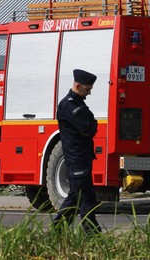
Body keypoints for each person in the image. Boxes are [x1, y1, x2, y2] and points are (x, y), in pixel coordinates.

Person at [53, 69, 102, 234]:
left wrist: (90, 126)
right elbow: (87, 127)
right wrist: (89, 126)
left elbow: (92, 126)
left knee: (75, 197)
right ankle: (93, 234)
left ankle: (57, 231)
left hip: (82, 158)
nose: (89, 93)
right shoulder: (68, 104)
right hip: (76, 159)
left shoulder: (79, 103)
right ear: (78, 86)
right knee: (87, 200)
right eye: (87, 89)